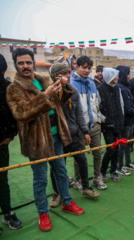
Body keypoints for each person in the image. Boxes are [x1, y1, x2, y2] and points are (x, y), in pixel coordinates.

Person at [7, 48, 84, 232]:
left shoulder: (43, 79)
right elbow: (21, 113)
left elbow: (59, 102)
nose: (25, 66)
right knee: (40, 179)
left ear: (33, 62)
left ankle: (67, 202)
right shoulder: (14, 88)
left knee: (61, 171)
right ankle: (43, 213)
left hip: (56, 135)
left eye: (28, 62)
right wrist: (45, 95)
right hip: (36, 141)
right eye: (21, 63)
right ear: (16, 64)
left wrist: (64, 87)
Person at [48, 63, 99, 205]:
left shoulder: (73, 92)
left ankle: (86, 187)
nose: (69, 76)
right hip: (57, 137)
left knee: (82, 159)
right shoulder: (50, 93)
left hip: (72, 135)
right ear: (55, 77)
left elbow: (79, 115)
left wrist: (85, 132)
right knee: (57, 167)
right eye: (65, 74)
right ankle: (57, 193)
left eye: (69, 73)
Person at [70, 56, 106, 190]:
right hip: (79, 127)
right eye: (84, 67)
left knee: (98, 153)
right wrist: (78, 126)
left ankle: (97, 178)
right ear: (77, 67)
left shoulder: (92, 83)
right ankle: (79, 180)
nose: (87, 70)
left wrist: (99, 118)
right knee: (80, 156)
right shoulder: (71, 84)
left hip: (95, 126)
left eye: (89, 68)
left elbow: (96, 104)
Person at [0, 53, 23, 231]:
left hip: (2, 145)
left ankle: (7, 213)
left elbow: (15, 116)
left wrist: (10, 136)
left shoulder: (8, 88)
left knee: (2, 181)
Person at [97, 68, 124, 182]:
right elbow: (96, 107)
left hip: (118, 124)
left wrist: (121, 118)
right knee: (110, 149)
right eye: (115, 76)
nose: (117, 78)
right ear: (110, 76)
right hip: (107, 125)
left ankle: (113, 171)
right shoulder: (100, 89)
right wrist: (104, 119)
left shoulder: (118, 89)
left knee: (117, 149)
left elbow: (121, 105)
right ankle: (103, 172)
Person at [116, 65, 134, 174]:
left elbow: (131, 103)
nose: (129, 76)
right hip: (124, 121)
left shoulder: (126, 87)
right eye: (127, 74)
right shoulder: (121, 88)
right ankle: (119, 166)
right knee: (123, 144)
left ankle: (127, 162)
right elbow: (126, 106)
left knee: (128, 142)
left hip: (130, 120)